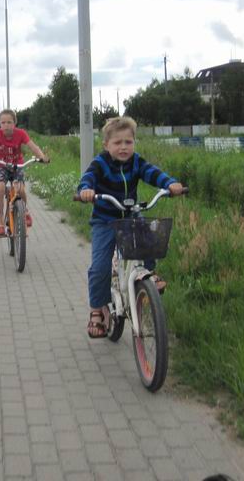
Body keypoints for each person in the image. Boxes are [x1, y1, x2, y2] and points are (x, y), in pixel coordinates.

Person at [77, 116, 184, 339]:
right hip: (105, 220)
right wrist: (86, 190)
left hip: (130, 215)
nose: (124, 147)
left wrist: (169, 184)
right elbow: (88, 177)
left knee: (148, 237)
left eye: (128, 142)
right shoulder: (101, 163)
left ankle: (148, 273)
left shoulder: (137, 162)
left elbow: (153, 173)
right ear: (106, 145)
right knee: (99, 267)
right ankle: (97, 309)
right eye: (118, 143)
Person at [0, 109, 50, 238]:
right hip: (2, 166)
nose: (6, 125)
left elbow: (33, 146)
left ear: (15, 123)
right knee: (0, 188)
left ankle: (25, 211)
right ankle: (0, 223)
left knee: (20, 189)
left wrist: (42, 157)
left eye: (9, 122)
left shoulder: (21, 133)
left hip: (18, 166)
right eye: (3, 122)